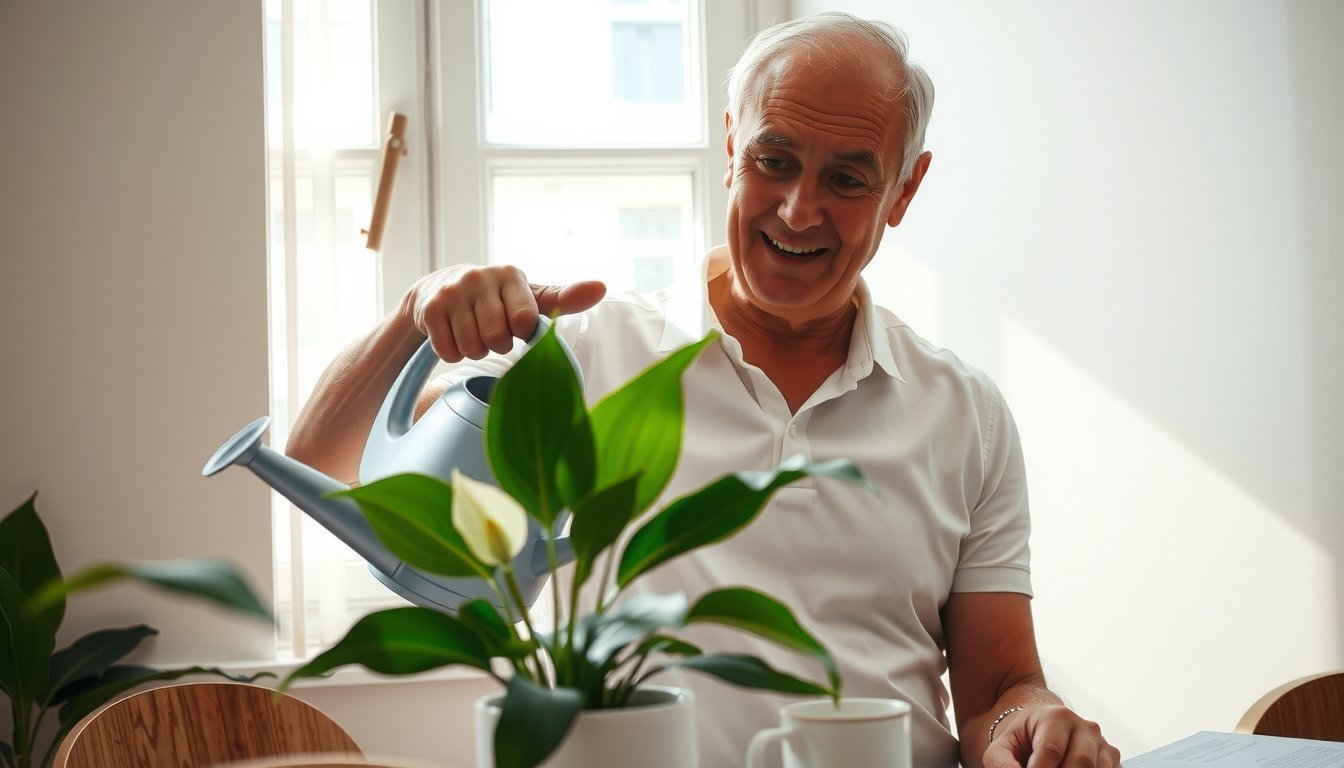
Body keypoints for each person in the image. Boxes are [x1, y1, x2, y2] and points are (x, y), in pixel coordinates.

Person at [287, 11, 1120, 768]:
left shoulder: (964, 413)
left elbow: (999, 687)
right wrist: (412, 313)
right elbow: (326, 460)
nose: (798, 211)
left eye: (848, 180)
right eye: (775, 160)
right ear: (731, 146)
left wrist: (1033, 721)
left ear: (904, 188)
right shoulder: (589, 355)